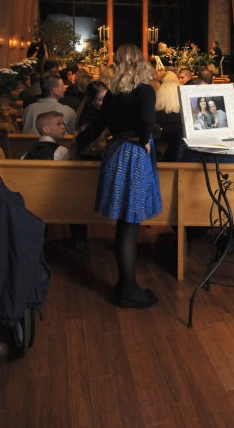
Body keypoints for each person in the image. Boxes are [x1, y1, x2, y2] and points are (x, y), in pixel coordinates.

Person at [76, 44, 162, 309]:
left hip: (116, 153)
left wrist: (78, 143)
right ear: (140, 63)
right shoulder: (145, 90)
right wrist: (146, 140)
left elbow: (98, 125)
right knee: (130, 224)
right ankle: (127, 289)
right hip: (135, 156)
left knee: (125, 223)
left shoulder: (112, 94)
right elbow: (147, 119)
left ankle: (126, 285)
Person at [154, 71, 184, 161]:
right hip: (183, 158)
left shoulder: (156, 116)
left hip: (160, 161)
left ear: (160, 96)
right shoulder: (185, 118)